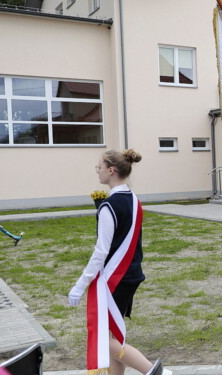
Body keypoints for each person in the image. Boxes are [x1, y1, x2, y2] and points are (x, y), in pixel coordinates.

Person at [67, 149, 154, 375]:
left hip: (116, 278)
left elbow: (100, 252)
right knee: (113, 334)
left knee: (104, 342)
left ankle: (157, 372)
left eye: (100, 167)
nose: (98, 171)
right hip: (131, 274)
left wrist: (80, 285)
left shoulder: (109, 206)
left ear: (111, 170)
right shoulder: (133, 199)